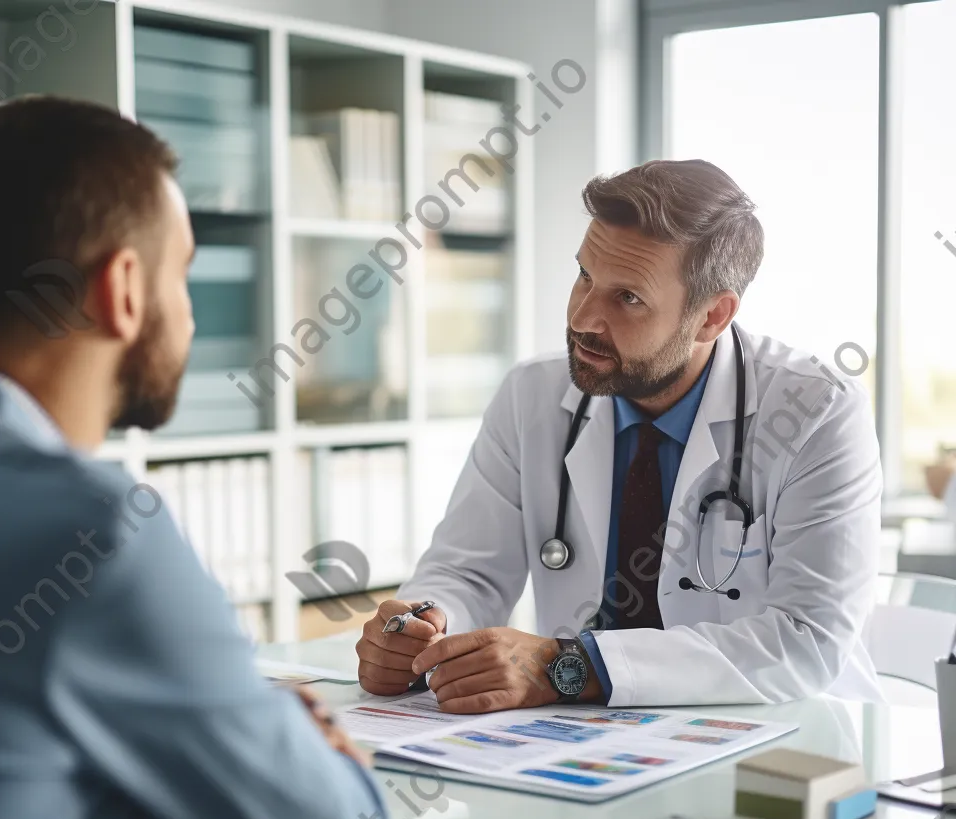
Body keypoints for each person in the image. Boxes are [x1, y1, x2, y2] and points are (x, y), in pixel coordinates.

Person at [0, 97, 386, 819]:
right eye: (187, 274)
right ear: (123, 289)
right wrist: (298, 737)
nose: (189, 307)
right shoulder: (90, 535)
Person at [357, 159, 882, 711]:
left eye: (627, 298)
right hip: (578, 742)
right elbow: (468, 570)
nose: (583, 317)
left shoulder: (817, 412)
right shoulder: (530, 395)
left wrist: (567, 666)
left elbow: (805, 640)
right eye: (584, 275)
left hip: (783, 745)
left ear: (712, 316)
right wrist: (425, 626)